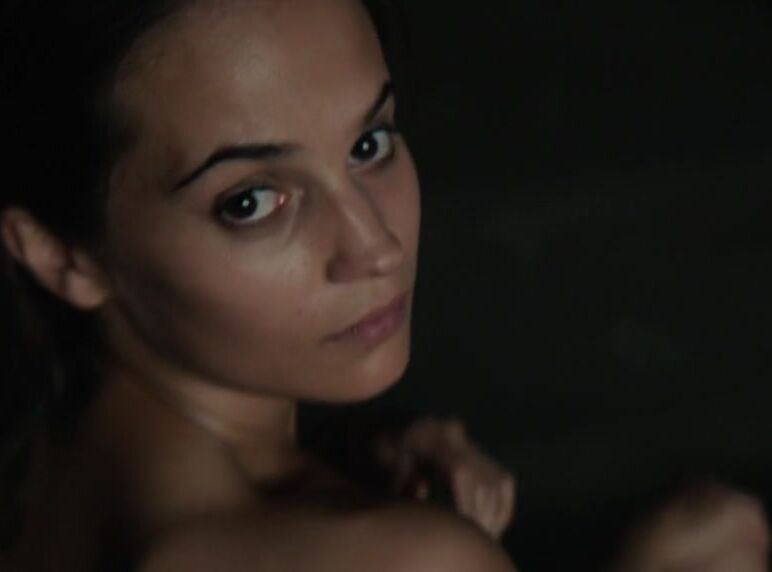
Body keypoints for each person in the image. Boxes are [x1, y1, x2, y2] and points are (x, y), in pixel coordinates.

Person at [0, 0, 767, 570]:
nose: (376, 246)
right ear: (59, 255)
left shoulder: (36, 475)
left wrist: (353, 459)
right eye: (252, 202)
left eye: (370, 144)